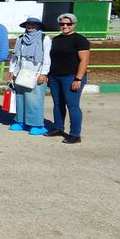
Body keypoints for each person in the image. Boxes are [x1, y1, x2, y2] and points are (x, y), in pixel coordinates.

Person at [45, 13, 90, 144]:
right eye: (62, 24)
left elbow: (84, 60)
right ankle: (58, 128)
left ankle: (75, 134)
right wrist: (49, 75)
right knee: (58, 104)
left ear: (74, 24)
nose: (65, 26)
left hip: (71, 77)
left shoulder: (80, 40)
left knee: (72, 106)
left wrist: (78, 79)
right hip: (55, 77)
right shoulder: (56, 39)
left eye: (68, 24)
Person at [9, 17, 52, 136]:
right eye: (29, 24)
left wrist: (44, 73)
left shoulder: (45, 38)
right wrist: (12, 70)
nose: (31, 27)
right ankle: (20, 121)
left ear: (38, 26)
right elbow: (15, 55)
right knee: (20, 97)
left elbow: (47, 57)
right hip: (21, 71)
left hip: (37, 72)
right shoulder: (21, 39)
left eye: (34, 25)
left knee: (34, 100)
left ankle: (36, 124)